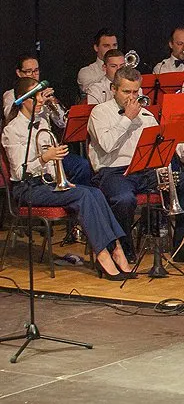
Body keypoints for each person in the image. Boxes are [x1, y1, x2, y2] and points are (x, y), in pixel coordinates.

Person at [3, 78, 134, 279]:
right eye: (36, 97)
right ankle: (103, 255)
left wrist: (60, 176)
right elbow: (20, 173)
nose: (40, 101)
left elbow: (51, 165)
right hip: (27, 188)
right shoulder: (12, 130)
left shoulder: (43, 122)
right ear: (23, 100)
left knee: (95, 192)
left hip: (47, 183)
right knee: (83, 195)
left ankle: (116, 248)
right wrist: (44, 157)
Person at [87, 66, 184, 263]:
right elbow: (106, 145)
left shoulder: (146, 116)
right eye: (126, 91)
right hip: (114, 173)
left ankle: (181, 245)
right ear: (114, 89)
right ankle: (123, 248)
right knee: (124, 199)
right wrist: (127, 118)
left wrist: (164, 170)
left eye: (135, 92)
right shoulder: (100, 112)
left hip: (146, 171)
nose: (131, 97)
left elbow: (159, 149)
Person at [5, 54, 92, 185]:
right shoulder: (11, 95)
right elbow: (11, 118)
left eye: (36, 71)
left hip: (49, 150)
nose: (33, 75)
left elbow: (62, 123)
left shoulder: (43, 94)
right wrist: (31, 102)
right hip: (31, 155)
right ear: (19, 73)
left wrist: (52, 102)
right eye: (29, 71)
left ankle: (67, 189)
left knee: (83, 166)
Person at [77, 28, 119, 95]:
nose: (112, 49)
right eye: (106, 46)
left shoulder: (125, 69)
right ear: (96, 48)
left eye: (114, 45)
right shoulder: (86, 72)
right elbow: (92, 92)